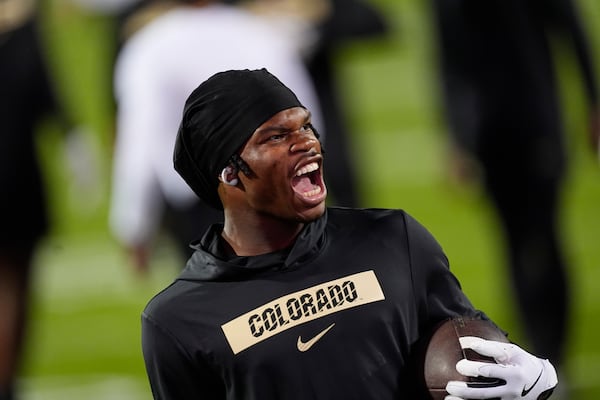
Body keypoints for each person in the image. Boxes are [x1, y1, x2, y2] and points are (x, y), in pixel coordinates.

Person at [140, 68, 559, 400]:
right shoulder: (178, 321)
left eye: (305, 126)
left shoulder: (394, 239)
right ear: (229, 171)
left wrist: (532, 376)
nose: (306, 143)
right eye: (277, 136)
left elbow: (473, 348)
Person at [428, 0, 600, 375]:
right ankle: (536, 352)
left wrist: (593, 102)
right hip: (488, 135)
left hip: (538, 121)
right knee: (511, 241)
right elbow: (447, 57)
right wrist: (458, 140)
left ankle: (554, 349)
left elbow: (571, 31)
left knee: (543, 237)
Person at [109, 0, 323, 274]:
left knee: (215, 305)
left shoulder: (150, 46)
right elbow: (307, 120)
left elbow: (140, 143)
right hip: (271, 186)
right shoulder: (259, 32)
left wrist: (135, 226)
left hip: (196, 201)